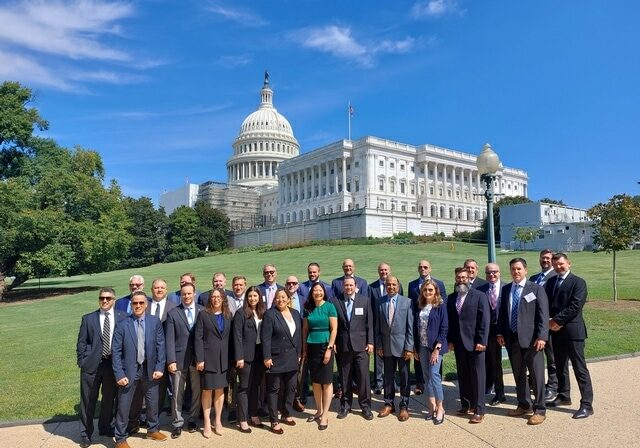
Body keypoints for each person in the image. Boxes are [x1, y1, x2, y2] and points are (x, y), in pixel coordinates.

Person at [497, 258, 549, 426]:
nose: (516, 272)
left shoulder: (536, 289)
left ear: (525, 270)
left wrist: (542, 337)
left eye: (519, 269)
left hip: (533, 340)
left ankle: (540, 410)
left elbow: (543, 315)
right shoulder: (506, 289)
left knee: (537, 376)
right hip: (512, 340)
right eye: (513, 269)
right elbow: (503, 315)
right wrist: (500, 333)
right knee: (519, 375)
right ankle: (524, 405)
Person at [112, 291, 167, 447]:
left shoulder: (154, 321)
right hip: (128, 371)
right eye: (135, 303)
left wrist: (159, 367)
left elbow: (160, 346)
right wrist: (119, 373)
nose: (137, 305)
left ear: (146, 304)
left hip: (150, 369)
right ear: (131, 304)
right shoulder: (122, 324)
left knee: (152, 401)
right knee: (124, 405)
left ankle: (152, 430)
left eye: (141, 303)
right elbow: (116, 351)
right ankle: (120, 438)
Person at [545, 253, 594, 419]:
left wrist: (556, 320)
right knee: (560, 366)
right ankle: (564, 395)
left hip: (573, 332)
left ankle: (587, 405)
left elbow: (575, 306)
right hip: (556, 333)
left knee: (580, 369)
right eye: (555, 264)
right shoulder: (551, 282)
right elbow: (546, 304)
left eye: (561, 264)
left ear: (568, 263)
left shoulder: (578, 282)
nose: (558, 267)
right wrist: (549, 321)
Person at [76, 288, 127, 447]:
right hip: (92, 365)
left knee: (108, 399)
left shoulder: (123, 317)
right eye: (102, 298)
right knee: (88, 400)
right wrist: (82, 361)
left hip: (112, 365)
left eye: (108, 298)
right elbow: (81, 343)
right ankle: (85, 433)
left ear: (114, 299)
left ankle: (104, 427)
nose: (104, 301)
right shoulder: (88, 318)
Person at [447, 267, 489, 424]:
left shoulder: (479, 296)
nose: (461, 280)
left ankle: (479, 410)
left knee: (478, 377)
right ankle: (466, 405)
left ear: (469, 278)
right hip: (459, 344)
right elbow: (451, 321)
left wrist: (482, 341)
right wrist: (450, 340)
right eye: (458, 277)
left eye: (464, 277)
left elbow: (484, 320)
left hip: (475, 343)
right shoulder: (452, 298)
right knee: (463, 375)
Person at [332, 277, 374, 420]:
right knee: (345, 378)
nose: (348, 288)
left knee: (363, 378)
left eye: (351, 285)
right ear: (343, 287)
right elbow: (334, 325)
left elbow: (370, 324)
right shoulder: (335, 301)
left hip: (361, 346)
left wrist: (371, 342)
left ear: (356, 286)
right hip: (343, 345)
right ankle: (345, 406)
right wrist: (335, 342)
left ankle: (366, 407)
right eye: (346, 285)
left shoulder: (364, 300)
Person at [261, 288, 302, 434]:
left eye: (283, 297)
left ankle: (286, 413)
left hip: (292, 357)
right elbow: (265, 338)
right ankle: (274, 420)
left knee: (291, 388)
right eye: (278, 298)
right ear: (274, 300)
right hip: (275, 358)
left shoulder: (296, 314)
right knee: (274, 390)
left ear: (288, 298)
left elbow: (298, 336)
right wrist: (266, 356)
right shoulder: (270, 314)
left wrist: (299, 353)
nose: (281, 300)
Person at [165, 282, 203, 439]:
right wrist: (171, 360)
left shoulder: (202, 311)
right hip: (179, 359)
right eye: (184, 294)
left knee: (196, 391)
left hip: (197, 359)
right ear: (180, 295)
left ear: (194, 293)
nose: (186, 296)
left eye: (189, 293)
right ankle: (177, 423)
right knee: (177, 393)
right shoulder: (173, 313)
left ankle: (193, 419)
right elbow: (169, 339)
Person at [194, 288, 232, 437]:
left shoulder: (228, 315)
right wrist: (200, 359)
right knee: (207, 390)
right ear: (210, 299)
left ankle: (217, 420)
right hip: (208, 359)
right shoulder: (203, 315)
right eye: (213, 297)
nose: (216, 299)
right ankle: (206, 422)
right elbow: (198, 338)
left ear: (223, 299)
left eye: (219, 296)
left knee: (220, 390)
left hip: (224, 360)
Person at [375, 276, 414, 422]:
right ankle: (388, 403)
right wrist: (379, 345)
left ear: (398, 286)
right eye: (388, 284)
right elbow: (377, 327)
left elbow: (410, 327)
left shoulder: (407, 302)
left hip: (403, 346)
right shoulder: (379, 302)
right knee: (388, 377)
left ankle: (404, 405)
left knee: (404, 377)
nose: (391, 287)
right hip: (386, 346)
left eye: (393, 284)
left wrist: (409, 347)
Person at [407, 259, 447, 395]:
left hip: (435, 335)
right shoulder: (412, 285)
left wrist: (440, 342)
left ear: (430, 269)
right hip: (420, 329)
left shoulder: (439, 284)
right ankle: (420, 384)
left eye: (425, 267)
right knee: (422, 365)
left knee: (435, 371)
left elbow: (443, 311)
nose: (423, 269)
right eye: (420, 267)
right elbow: (412, 307)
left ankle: (437, 392)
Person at [303, 283, 338, 430]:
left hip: (325, 345)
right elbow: (305, 329)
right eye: (315, 290)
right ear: (311, 293)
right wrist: (304, 348)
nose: (318, 293)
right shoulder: (308, 308)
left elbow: (334, 328)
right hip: (311, 346)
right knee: (316, 381)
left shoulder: (329, 307)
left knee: (326, 381)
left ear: (324, 292)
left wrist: (330, 348)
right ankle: (318, 410)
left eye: (320, 290)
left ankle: (325, 414)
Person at [413, 280, 448, 425]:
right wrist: (415, 347)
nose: (428, 292)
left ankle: (441, 408)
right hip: (422, 346)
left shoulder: (440, 305)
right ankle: (431, 406)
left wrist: (437, 348)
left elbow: (444, 327)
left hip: (435, 347)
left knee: (434, 375)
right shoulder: (420, 305)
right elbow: (416, 328)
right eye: (425, 290)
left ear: (436, 291)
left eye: (430, 290)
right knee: (426, 377)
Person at [232, 286, 267, 433]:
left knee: (255, 386)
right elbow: (237, 336)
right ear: (247, 298)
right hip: (245, 357)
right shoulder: (241, 313)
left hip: (260, 355)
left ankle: (253, 414)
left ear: (259, 297)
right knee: (244, 387)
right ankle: (243, 419)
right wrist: (239, 357)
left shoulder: (263, 312)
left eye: (255, 296)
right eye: (250, 296)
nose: (253, 298)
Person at [369, 263, 403, 395]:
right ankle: (378, 383)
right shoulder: (372, 287)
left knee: (393, 357)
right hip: (379, 325)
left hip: (394, 328)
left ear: (390, 271)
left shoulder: (397, 286)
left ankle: (393, 382)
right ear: (378, 272)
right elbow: (370, 306)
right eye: (381, 270)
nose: (383, 272)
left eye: (386, 270)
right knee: (379, 356)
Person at [530, 249, 559, 401]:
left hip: (549, 323)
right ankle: (534, 381)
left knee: (551, 356)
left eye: (548, 258)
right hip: (533, 324)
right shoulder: (534, 278)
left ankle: (553, 386)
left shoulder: (556, 277)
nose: (545, 260)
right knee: (534, 353)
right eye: (543, 258)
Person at [478, 263, 506, 406]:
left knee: (518, 363)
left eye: (494, 272)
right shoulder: (481, 290)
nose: (492, 275)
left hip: (506, 332)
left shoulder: (507, 288)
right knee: (493, 363)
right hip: (487, 332)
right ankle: (499, 394)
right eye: (489, 273)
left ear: (499, 272)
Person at [225, 275, 247, 424]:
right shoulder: (227, 300)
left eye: (240, 285)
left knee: (248, 378)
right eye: (235, 285)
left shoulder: (251, 298)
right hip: (230, 345)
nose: (238, 287)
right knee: (232, 378)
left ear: (245, 285)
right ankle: (232, 408)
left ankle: (248, 406)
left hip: (249, 345)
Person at [286, 275, 307, 411]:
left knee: (300, 371)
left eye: (294, 283)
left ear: (298, 285)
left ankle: (296, 398)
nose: (292, 285)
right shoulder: (281, 299)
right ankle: (285, 399)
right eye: (289, 283)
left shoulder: (304, 301)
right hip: (285, 340)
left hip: (300, 339)